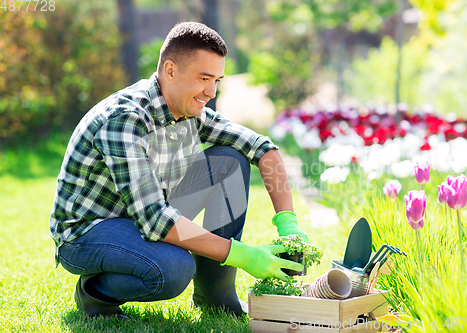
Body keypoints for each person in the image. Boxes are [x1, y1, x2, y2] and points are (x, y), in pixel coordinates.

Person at [49, 21, 311, 320]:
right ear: (170, 70)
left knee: (229, 161)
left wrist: (288, 221)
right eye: (204, 78)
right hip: (88, 232)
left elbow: (262, 148)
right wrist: (243, 255)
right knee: (174, 269)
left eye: (217, 80)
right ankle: (95, 293)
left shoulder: (187, 109)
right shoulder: (125, 119)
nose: (210, 91)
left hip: (141, 215)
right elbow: (154, 220)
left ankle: (216, 294)